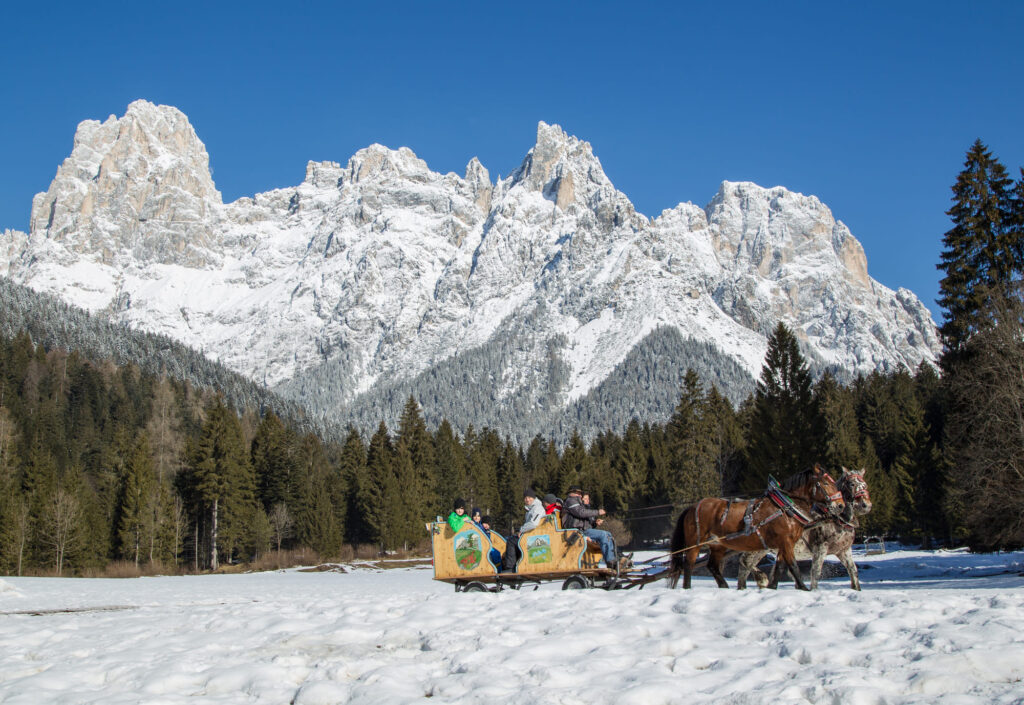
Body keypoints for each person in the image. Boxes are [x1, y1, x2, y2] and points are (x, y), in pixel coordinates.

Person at [561, 487, 618, 573]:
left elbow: (584, 521)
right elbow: (581, 513)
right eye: (578, 493)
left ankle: (616, 558)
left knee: (608, 534)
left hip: (582, 530)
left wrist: (594, 523)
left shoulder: (578, 503)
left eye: (580, 493)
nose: (579, 495)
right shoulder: (570, 501)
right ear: (571, 493)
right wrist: (597, 512)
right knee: (604, 535)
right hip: (576, 532)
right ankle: (611, 562)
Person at [502, 488, 547, 572]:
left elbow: (533, 524)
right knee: (513, 539)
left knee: (511, 541)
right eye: (525, 498)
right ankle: (516, 565)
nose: (527, 499)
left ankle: (510, 568)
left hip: (534, 536)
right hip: (531, 534)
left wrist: (522, 530)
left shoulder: (537, 508)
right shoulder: (531, 509)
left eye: (529, 497)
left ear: (534, 498)